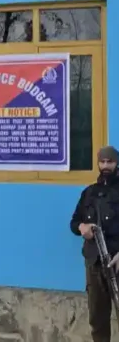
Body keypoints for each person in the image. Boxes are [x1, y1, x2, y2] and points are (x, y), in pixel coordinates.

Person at [70, 146, 119, 342]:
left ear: (117, 163)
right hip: (94, 265)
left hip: (117, 262)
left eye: (110, 162)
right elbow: (74, 222)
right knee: (98, 321)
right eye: (102, 162)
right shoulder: (89, 193)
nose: (106, 166)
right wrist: (82, 227)